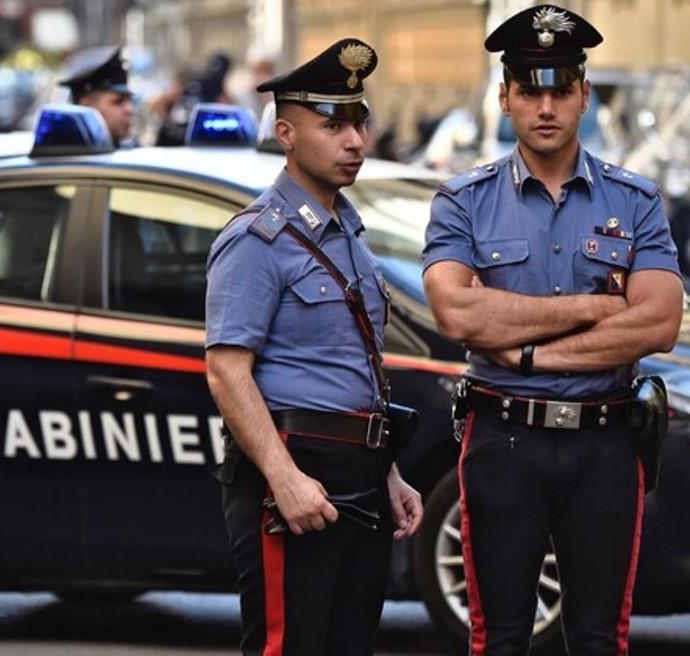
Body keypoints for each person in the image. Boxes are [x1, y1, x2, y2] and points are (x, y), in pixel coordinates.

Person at [422, 5, 683, 655]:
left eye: (561, 89)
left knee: (599, 639)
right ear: (505, 96)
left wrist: (527, 348)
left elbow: (657, 321)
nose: (546, 106)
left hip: (605, 443)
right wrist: (595, 308)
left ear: (584, 96)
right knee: (500, 638)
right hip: (503, 441)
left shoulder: (636, 201)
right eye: (530, 89)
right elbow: (456, 313)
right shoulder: (464, 201)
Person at [205, 38, 423, 656]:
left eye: (359, 122)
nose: (355, 141)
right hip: (295, 470)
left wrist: (389, 471)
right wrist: (284, 478)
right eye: (333, 125)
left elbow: (354, 364)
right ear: (286, 134)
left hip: (359, 471)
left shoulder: (348, 231)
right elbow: (226, 371)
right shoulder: (256, 239)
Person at [58, 45, 135, 147]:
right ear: (88, 106)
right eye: (118, 102)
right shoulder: (66, 155)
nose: (129, 109)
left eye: (129, 101)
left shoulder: (131, 149)